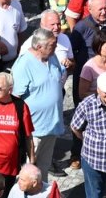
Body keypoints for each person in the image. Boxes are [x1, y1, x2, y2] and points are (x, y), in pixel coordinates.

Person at [11, 29, 65, 182]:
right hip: (33, 130)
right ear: (39, 46)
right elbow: (15, 98)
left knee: (43, 170)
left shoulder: (52, 57)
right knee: (28, 173)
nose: (55, 48)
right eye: (52, 45)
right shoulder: (24, 64)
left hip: (52, 125)